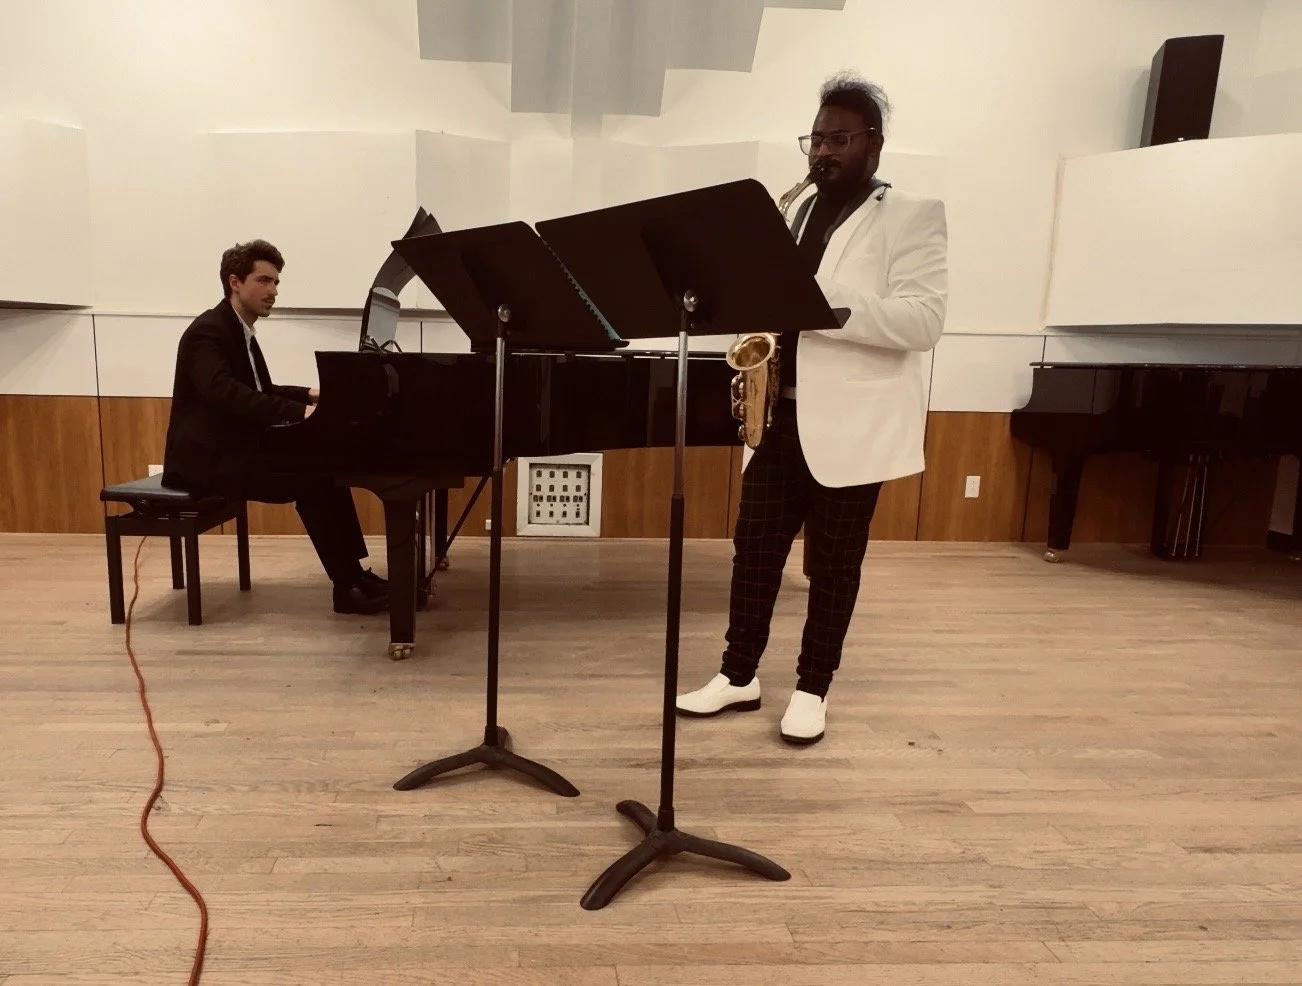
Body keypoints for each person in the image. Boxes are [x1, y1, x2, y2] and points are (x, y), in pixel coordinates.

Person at [676, 73, 947, 744]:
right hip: (780, 415)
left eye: (839, 140)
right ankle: (738, 675)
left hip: (855, 426)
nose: (823, 152)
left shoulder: (914, 213)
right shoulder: (795, 212)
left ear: (874, 146)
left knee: (832, 565)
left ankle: (812, 687)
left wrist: (822, 307)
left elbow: (924, 321)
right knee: (754, 552)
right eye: (816, 138)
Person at [162, 239, 389, 615]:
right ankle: (346, 587)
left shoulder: (238, 330)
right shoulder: (209, 331)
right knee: (313, 478)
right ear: (235, 282)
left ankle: (354, 576)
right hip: (208, 462)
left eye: (276, 283)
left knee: (328, 469)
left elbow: (261, 391)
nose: (273, 291)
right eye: (264, 281)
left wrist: (313, 395)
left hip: (236, 448)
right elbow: (224, 392)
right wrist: (300, 413)